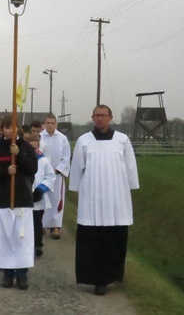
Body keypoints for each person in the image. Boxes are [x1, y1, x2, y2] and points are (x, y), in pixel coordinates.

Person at [69, 105, 139, 296]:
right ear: (92, 117)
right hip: (92, 198)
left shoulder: (122, 140)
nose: (100, 119)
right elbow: (76, 169)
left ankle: (111, 275)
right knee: (93, 239)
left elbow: (130, 168)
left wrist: (131, 187)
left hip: (116, 198)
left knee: (113, 239)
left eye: (103, 115)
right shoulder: (84, 141)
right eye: (97, 115)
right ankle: (95, 278)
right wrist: (75, 189)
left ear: (110, 117)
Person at [0, 114, 37, 290]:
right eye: (6, 127)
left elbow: (32, 169)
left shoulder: (26, 148)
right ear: (2, 130)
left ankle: (22, 275)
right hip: (3, 200)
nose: (10, 130)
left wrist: (19, 155)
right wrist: (5, 171)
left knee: (21, 239)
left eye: (13, 127)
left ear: (18, 129)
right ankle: (7, 274)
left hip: (22, 199)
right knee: (5, 238)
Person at [40, 114, 71, 239]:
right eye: (48, 123)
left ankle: (55, 226)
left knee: (57, 200)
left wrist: (59, 169)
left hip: (57, 174)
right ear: (45, 123)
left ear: (56, 124)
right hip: (43, 175)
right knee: (42, 198)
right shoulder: (40, 137)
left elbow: (66, 156)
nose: (50, 125)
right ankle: (41, 224)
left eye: (52, 123)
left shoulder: (62, 138)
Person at [27, 134, 55, 258]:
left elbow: (50, 176)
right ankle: (25, 245)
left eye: (36, 147)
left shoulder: (43, 161)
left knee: (37, 223)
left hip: (37, 197)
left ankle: (38, 245)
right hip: (24, 196)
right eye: (31, 148)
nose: (34, 150)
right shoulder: (22, 160)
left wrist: (40, 190)